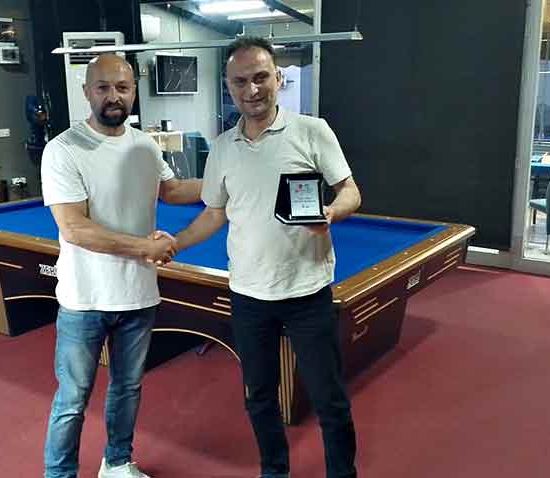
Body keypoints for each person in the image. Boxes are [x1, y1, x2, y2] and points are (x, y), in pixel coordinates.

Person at [174, 37, 362, 478]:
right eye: (240, 81)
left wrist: (332, 212)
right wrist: (175, 243)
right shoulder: (222, 147)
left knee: (329, 399)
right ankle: (274, 471)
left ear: (278, 78)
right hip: (248, 295)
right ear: (229, 86)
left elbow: (350, 191)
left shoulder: (313, 131)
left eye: (261, 77)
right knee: (258, 397)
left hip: (308, 293)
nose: (252, 89)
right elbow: (214, 213)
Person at [41, 54, 202, 478]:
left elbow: (174, 190)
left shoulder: (144, 145)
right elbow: (74, 228)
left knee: (128, 388)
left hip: (138, 295)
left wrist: (231, 178)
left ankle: (116, 463)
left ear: (133, 92)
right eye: (103, 87)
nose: (113, 96)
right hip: (85, 298)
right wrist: (144, 248)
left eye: (123, 87)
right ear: (87, 92)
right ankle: (59, 474)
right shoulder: (63, 149)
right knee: (73, 399)